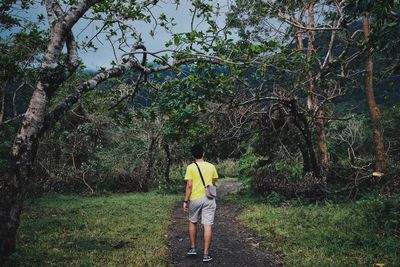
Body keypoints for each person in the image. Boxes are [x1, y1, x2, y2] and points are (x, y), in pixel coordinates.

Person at [183, 144, 218, 262]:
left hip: (195, 199)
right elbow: (213, 182)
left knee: (193, 221)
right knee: (207, 225)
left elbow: (189, 185)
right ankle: (206, 254)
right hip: (209, 198)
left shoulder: (190, 167)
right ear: (203, 154)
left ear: (193, 156)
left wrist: (185, 201)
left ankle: (193, 248)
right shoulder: (211, 166)